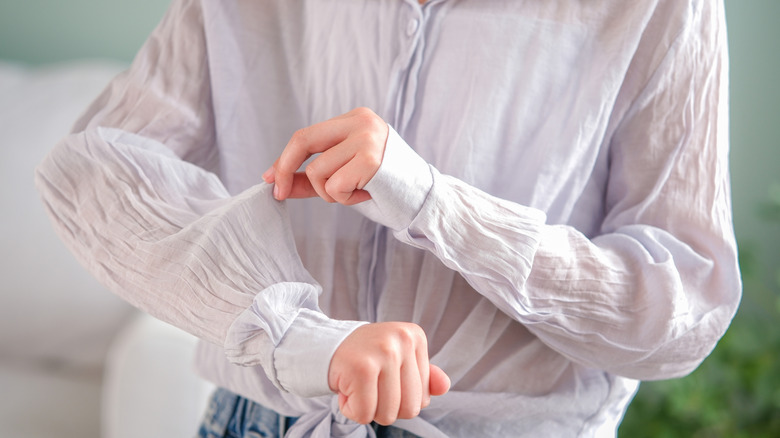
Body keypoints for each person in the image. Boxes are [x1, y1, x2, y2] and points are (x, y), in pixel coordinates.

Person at [35, 0, 741, 436]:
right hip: (255, 423)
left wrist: (435, 204)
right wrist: (298, 336)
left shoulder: (658, 9)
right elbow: (96, 169)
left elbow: (684, 306)